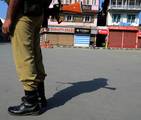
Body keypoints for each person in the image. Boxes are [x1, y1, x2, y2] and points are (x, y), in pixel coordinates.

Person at [2, 0, 52, 116]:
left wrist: (9, 18)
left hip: (22, 15)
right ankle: (40, 97)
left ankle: (31, 103)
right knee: (35, 55)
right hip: (37, 14)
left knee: (24, 57)